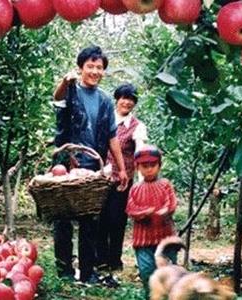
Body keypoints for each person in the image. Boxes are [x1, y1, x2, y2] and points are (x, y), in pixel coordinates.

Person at [52, 45, 128, 284]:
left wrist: (121, 167)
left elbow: (111, 136)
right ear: (80, 68)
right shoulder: (71, 90)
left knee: (90, 219)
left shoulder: (106, 101)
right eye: (90, 66)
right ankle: (64, 269)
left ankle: (88, 271)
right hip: (66, 163)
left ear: (103, 71)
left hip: (93, 164)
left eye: (99, 67)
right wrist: (65, 82)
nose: (95, 71)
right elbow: (57, 98)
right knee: (62, 216)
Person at [96, 83, 148, 277]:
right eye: (123, 98)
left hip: (122, 180)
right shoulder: (105, 120)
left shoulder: (137, 126)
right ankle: (99, 259)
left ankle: (114, 260)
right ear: (116, 99)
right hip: (101, 179)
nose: (127, 102)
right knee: (100, 218)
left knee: (117, 220)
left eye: (131, 99)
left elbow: (140, 153)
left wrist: (142, 182)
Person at [125, 145, 178, 299]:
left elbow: (172, 203)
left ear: (159, 166)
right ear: (137, 168)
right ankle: (151, 296)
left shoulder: (165, 184)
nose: (149, 169)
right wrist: (143, 213)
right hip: (143, 240)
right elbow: (130, 209)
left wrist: (166, 210)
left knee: (170, 271)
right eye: (144, 166)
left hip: (165, 238)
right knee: (147, 271)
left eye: (153, 165)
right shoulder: (135, 188)